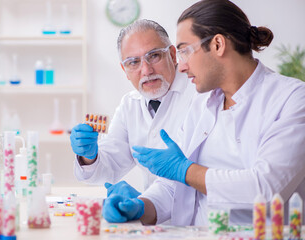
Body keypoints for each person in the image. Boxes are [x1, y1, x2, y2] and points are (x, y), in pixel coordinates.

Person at [102, 0, 305, 226]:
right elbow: (173, 186)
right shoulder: (204, 102)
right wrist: (142, 207)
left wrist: (186, 170)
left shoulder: (292, 98)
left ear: (218, 44)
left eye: (185, 51)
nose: (181, 66)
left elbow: (266, 187)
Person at [70, 19, 197, 195]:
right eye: (133, 62)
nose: (146, 70)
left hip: (201, 217)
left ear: (173, 55)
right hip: (152, 216)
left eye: (154, 56)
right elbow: (110, 167)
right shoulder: (130, 104)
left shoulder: (199, 94)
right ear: (125, 71)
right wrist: (89, 156)